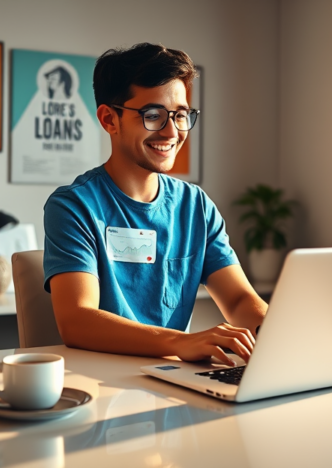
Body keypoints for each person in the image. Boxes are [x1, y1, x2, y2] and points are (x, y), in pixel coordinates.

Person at [43, 43, 267, 367]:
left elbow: (239, 299)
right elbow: (78, 321)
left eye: (180, 115)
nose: (172, 131)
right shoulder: (73, 206)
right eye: (152, 116)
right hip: (103, 383)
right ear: (109, 119)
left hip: (175, 379)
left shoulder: (196, 207)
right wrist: (182, 342)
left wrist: (275, 331)